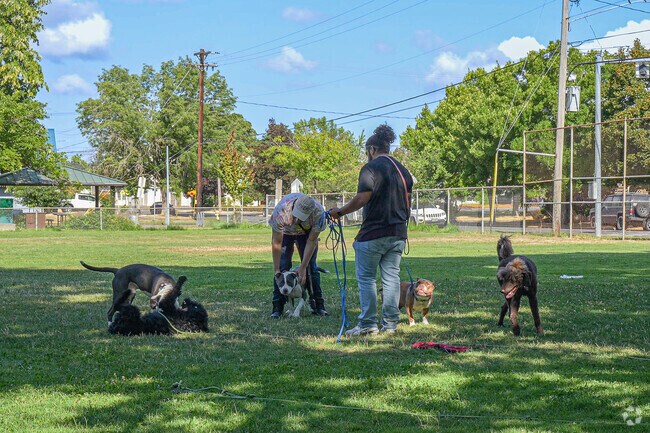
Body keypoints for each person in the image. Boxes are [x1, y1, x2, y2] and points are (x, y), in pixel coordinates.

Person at [328, 124, 413, 335]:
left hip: (374, 233)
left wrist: (340, 212)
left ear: (372, 149)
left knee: (366, 278)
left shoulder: (370, 168)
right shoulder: (403, 170)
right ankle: (391, 324)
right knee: (391, 277)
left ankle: (367, 324)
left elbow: (361, 198)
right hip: (398, 233)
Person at [269, 193, 329, 318]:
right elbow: (277, 242)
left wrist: (303, 267)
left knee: (311, 269)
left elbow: (312, 241)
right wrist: (276, 269)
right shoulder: (281, 211)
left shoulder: (319, 214)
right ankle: (277, 308)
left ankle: (318, 306)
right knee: (282, 267)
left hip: (306, 235)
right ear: (293, 207)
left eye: (302, 217)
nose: (297, 220)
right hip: (285, 233)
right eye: (296, 215)